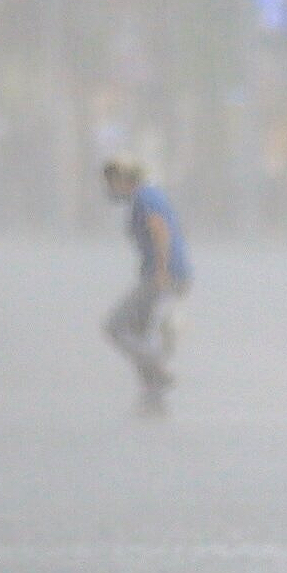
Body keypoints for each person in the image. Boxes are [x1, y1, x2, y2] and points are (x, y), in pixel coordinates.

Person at [102, 159, 191, 415]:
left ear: (122, 179)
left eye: (111, 182)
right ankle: (152, 388)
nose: (109, 189)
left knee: (116, 326)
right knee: (140, 331)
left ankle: (157, 370)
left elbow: (160, 229)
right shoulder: (150, 195)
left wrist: (162, 270)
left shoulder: (144, 198)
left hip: (161, 276)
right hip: (168, 273)